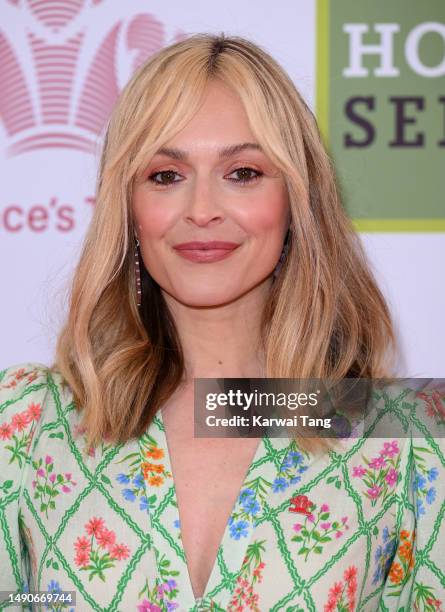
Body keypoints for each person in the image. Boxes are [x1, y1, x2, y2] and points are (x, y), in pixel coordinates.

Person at [1, 33, 444, 612]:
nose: (202, 209)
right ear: (128, 208)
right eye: (165, 175)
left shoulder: (403, 433)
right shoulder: (28, 424)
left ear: (296, 201)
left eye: (242, 172)